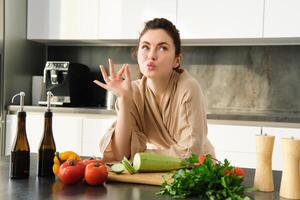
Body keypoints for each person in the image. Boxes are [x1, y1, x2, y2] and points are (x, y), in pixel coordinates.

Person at [94, 18, 215, 162]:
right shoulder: (133, 92)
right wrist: (124, 99)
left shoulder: (188, 88)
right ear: (137, 53)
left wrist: (141, 157)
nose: (151, 55)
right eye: (145, 47)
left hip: (194, 170)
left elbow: (191, 152)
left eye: (162, 48)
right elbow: (120, 155)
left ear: (177, 60)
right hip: (153, 169)